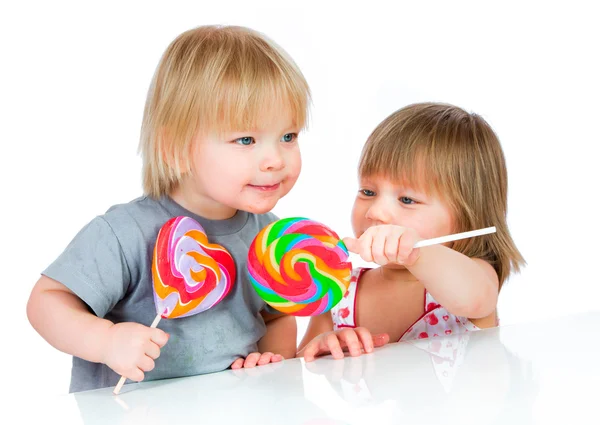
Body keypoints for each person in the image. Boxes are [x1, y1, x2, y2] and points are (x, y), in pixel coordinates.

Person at [27, 25, 311, 392]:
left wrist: (272, 360)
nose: (274, 159)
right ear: (174, 148)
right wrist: (104, 340)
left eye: (288, 136)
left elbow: (276, 317)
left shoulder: (272, 237)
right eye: (246, 139)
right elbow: (46, 302)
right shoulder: (125, 232)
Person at [299, 102, 525, 361]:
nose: (376, 212)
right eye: (368, 192)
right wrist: (324, 345)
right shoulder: (338, 290)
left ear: (468, 216)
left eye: (407, 200)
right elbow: (298, 367)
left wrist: (416, 252)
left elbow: (473, 299)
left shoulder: (476, 277)